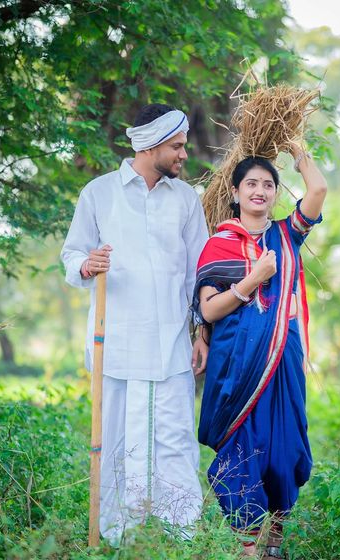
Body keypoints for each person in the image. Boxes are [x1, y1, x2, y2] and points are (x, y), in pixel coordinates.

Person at [61, 104, 209, 545]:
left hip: (170, 346)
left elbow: (198, 275)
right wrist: (87, 264)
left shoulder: (186, 200)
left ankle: (180, 536)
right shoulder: (99, 193)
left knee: (175, 439)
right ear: (150, 145)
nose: (184, 154)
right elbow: (72, 253)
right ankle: (116, 538)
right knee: (115, 441)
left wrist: (202, 332)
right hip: (116, 343)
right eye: (178, 147)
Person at [192, 146, 327, 558]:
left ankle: (275, 541)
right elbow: (210, 308)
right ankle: (247, 546)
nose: (260, 191)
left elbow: (318, 189)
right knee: (244, 450)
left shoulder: (287, 235)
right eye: (251, 183)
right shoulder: (219, 244)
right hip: (236, 366)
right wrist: (253, 279)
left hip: (282, 362)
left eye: (268, 185)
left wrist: (300, 153)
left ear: (274, 194)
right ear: (235, 192)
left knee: (286, 448)